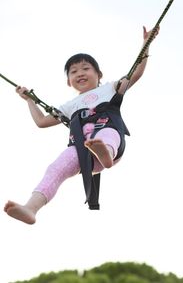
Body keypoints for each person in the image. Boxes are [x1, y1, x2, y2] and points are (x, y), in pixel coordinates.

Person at [4, 26, 159, 224]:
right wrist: (29, 101)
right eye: (74, 71)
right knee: (55, 169)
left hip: (110, 141)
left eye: (86, 68)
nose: (80, 73)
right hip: (82, 149)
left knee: (106, 134)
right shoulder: (69, 106)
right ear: (69, 81)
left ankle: (105, 154)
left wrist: (146, 45)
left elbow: (135, 73)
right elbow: (42, 121)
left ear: (98, 74)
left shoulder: (110, 88)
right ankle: (31, 208)